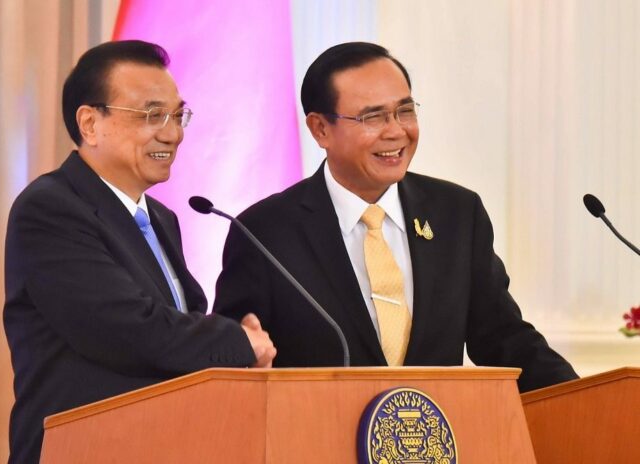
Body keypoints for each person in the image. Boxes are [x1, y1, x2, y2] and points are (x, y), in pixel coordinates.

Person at [213, 42, 577, 393]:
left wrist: (584, 396)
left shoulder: (457, 214)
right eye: (372, 116)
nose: (396, 131)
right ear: (320, 129)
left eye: (405, 111)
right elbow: (234, 361)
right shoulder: (264, 233)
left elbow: (503, 337)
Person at [3, 40, 275, 464]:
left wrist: (231, 341)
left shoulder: (162, 218)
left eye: (178, 114)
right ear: (90, 124)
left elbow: (173, 328)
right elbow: (126, 330)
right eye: (152, 115)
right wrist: (236, 341)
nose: (173, 133)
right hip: (81, 451)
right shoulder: (50, 208)